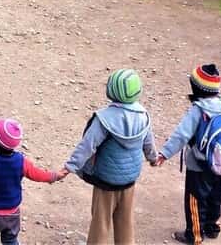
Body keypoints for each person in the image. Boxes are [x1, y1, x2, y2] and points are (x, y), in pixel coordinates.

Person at [64, 69, 157, 244]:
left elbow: (88, 145)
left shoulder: (104, 119)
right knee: (126, 221)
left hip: (105, 181)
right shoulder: (143, 115)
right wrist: (153, 158)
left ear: (111, 91)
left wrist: (70, 166)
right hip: (129, 180)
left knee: (101, 221)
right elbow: (148, 142)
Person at [155, 64, 221, 245]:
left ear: (196, 88)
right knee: (216, 195)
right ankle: (212, 227)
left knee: (195, 199)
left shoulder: (198, 109)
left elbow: (182, 135)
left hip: (199, 163)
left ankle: (194, 234)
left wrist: (164, 154)